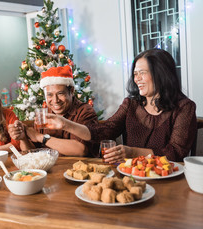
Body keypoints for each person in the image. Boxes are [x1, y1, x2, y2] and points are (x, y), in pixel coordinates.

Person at [44, 49, 197, 163]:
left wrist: (132, 152)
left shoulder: (184, 107)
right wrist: (65, 124)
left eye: (142, 73)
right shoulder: (130, 104)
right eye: (135, 74)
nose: (137, 79)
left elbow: (175, 153)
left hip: (167, 176)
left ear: (161, 74)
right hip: (132, 173)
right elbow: (104, 131)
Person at [8, 65, 98, 156]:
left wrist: (40, 137)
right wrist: (23, 138)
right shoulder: (43, 114)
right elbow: (32, 154)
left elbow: (81, 150)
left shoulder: (85, 111)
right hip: (50, 169)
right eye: (50, 95)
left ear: (72, 91)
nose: (55, 100)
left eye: (60, 93)